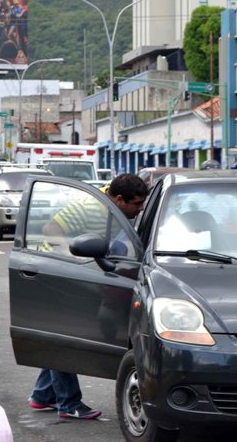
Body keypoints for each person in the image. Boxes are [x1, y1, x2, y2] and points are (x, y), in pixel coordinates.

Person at [30, 174, 149, 419]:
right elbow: (50, 230)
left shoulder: (116, 210)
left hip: (78, 276)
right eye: (136, 204)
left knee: (59, 337)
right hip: (58, 276)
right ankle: (69, 403)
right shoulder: (89, 207)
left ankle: (42, 396)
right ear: (118, 199)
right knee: (66, 338)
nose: (140, 209)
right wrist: (75, 264)